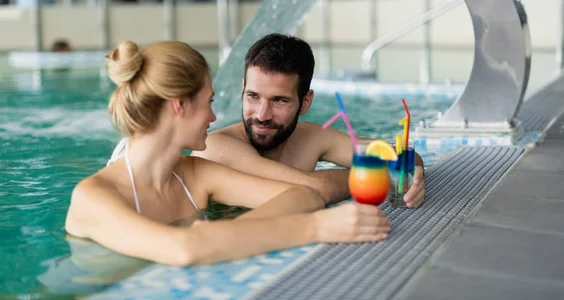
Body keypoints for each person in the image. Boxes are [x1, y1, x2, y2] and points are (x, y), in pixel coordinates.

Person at [65, 40, 391, 267]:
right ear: (179, 106)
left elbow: (305, 196)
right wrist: (317, 228)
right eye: (208, 102)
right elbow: (184, 249)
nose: (214, 117)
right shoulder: (93, 197)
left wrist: (227, 234)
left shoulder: (195, 173)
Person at [193, 33, 426, 208]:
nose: (262, 115)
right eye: (253, 96)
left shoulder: (311, 137)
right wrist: (378, 175)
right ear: (243, 89)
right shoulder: (215, 147)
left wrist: (412, 175)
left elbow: (404, 157)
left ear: (305, 102)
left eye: (279, 101)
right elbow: (316, 189)